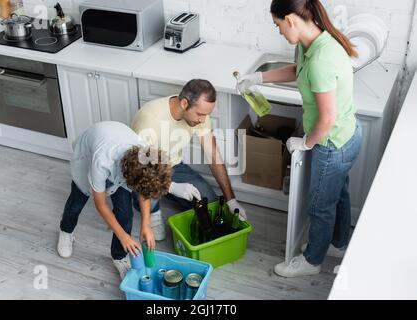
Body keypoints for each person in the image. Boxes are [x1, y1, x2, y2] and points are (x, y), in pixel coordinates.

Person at [238, 0, 362, 277]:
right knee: (338, 195)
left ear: (291, 19)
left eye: (278, 25)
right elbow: (297, 71)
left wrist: (305, 143)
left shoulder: (321, 59)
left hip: (331, 144)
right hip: (348, 135)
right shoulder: (314, 42)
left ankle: (312, 261)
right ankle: (337, 244)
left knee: (320, 205)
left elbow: (326, 118)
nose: (279, 31)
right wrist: (258, 77)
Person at [132, 79, 247, 241]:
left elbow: (214, 156)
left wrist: (231, 199)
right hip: (147, 169)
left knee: (210, 206)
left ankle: (166, 192)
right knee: (146, 193)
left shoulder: (200, 114)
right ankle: (152, 207)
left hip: (174, 166)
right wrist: (171, 186)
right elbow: (140, 168)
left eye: (206, 115)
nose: (202, 120)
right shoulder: (150, 119)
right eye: (200, 114)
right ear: (185, 103)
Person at [56, 121, 172, 279]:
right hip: (87, 157)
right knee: (76, 203)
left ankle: (119, 256)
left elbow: (144, 192)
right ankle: (66, 230)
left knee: (125, 214)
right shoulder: (101, 162)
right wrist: (124, 237)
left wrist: (146, 224)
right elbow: (101, 205)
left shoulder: (145, 156)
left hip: (118, 152)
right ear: (129, 181)